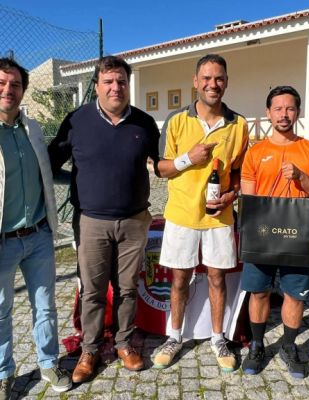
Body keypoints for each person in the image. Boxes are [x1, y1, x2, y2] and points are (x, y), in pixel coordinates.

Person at [48, 56, 160, 383]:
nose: (115, 87)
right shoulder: (76, 121)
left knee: (127, 288)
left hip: (134, 221)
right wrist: (76, 183)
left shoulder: (144, 123)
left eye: (121, 81)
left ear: (128, 85)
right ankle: (90, 350)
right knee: (93, 290)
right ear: (96, 85)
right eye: (108, 81)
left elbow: (162, 163)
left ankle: (124, 343)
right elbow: (50, 163)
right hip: (91, 222)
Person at [153, 54, 249, 372]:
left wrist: (232, 194)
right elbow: (162, 168)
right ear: (195, 82)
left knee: (218, 278)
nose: (213, 84)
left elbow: (239, 172)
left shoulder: (238, 125)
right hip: (181, 214)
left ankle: (219, 338)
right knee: (180, 279)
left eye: (219, 78)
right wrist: (188, 158)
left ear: (226, 82)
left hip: (219, 217)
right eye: (206, 78)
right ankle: (174, 337)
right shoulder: (177, 120)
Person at [240, 86, 309, 376]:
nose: (284, 114)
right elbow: (249, 199)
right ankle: (257, 345)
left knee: (295, 295)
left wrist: (302, 176)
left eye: (290, 108)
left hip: (297, 234)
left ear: (298, 112)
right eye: (277, 108)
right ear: (268, 113)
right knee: (259, 293)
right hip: (262, 234)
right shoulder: (255, 152)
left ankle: (289, 346)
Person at [0, 58, 72, 399]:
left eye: (15, 84)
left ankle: (48, 362)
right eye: (2, 83)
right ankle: (4, 373)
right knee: (1, 311)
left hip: (39, 235)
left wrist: (80, 180)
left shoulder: (33, 128)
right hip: (3, 241)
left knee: (45, 306)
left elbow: (47, 171)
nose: (8, 90)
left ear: (23, 90)